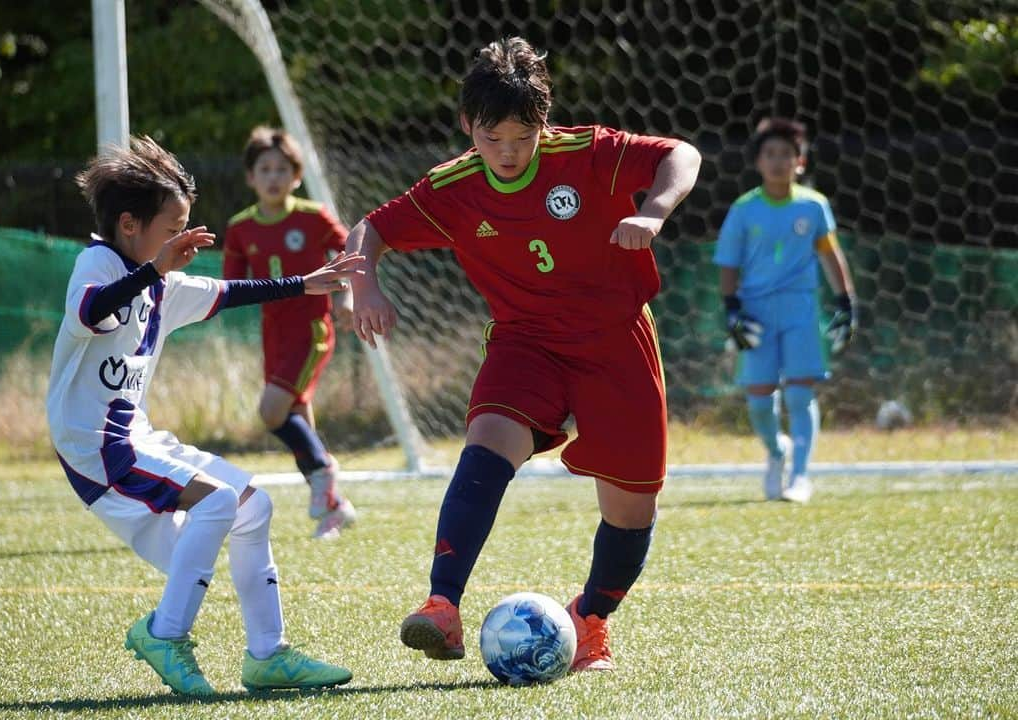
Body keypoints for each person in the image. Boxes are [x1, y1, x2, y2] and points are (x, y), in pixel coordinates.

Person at [346, 37, 701, 671]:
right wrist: (365, 282)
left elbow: (682, 153)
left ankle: (590, 619)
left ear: (544, 124)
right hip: (525, 340)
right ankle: (442, 607)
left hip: (616, 340)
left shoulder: (587, 153)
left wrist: (654, 211)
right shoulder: (454, 188)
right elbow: (370, 230)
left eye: (522, 137)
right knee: (486, 444)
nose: (507, 153)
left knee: (631, 509)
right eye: (491, 138)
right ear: (467, 128)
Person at [46, 136, 363, 696]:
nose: (184, 244)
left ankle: (267, 655)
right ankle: (164, 634)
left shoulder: (162, 284)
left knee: (251, 504)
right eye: (174, 231)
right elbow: (91, 311)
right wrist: (155, 270)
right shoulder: (97, 263)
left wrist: (304, 284)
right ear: (128, 225)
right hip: (93, 442)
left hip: (134, 436)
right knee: (218, 500)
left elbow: (229, 291)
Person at [714, 117, 857, 504]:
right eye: (770, 154)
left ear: (801, 162)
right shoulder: (744, 209)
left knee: (799, 392)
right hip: (756, 311)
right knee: (759, 398)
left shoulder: (814, 206)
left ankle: (800, 477)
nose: (778, 161)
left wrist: (846, 302)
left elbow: (830, 255)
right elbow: (728, 262)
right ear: (758, 162)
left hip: (801, 310)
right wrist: (732, 310)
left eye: (787, 154)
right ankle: (777, 453)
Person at [223, 126, 357, 540]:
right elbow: (232, 286)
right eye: (264, 169)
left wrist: (347, 296)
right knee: (298, 419)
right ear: (250, 177)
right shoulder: (240, 228)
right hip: (273, 336)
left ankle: (323, 471)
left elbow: (351, 248)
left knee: (271, 412)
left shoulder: (312, 217)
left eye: (282, 169)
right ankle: (333, 508)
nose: (273, 177)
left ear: (296, 175)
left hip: (311, 330)